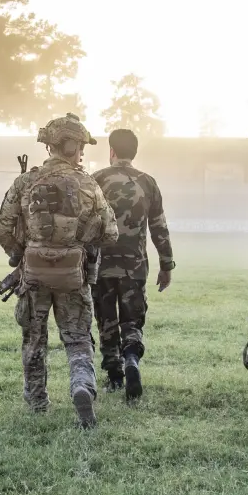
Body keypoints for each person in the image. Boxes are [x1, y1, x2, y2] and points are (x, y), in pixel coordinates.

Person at [0, 113, 118, 428]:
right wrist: (80, 242)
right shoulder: (88, 183)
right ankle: (81, 386)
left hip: (33, 274)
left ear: (50, 145)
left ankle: (37, 402)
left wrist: (20, 256)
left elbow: (3, 229)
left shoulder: (26, 181)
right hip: (73, 276)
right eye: (80, 146)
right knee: (77, 338)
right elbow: (111, 232)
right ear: (72, 145)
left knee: (34, 338)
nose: (81, 152)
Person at [91, 129, 175, 400]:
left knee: (106, 319)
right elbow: (159, 227)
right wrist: (166, 264)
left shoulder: (96, 181)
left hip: (101, 266)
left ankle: (114, 374)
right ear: (134, 152)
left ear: (111, 150)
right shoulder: (147, 183)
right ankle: (131, 358)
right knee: (132, 318)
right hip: (135, 266)